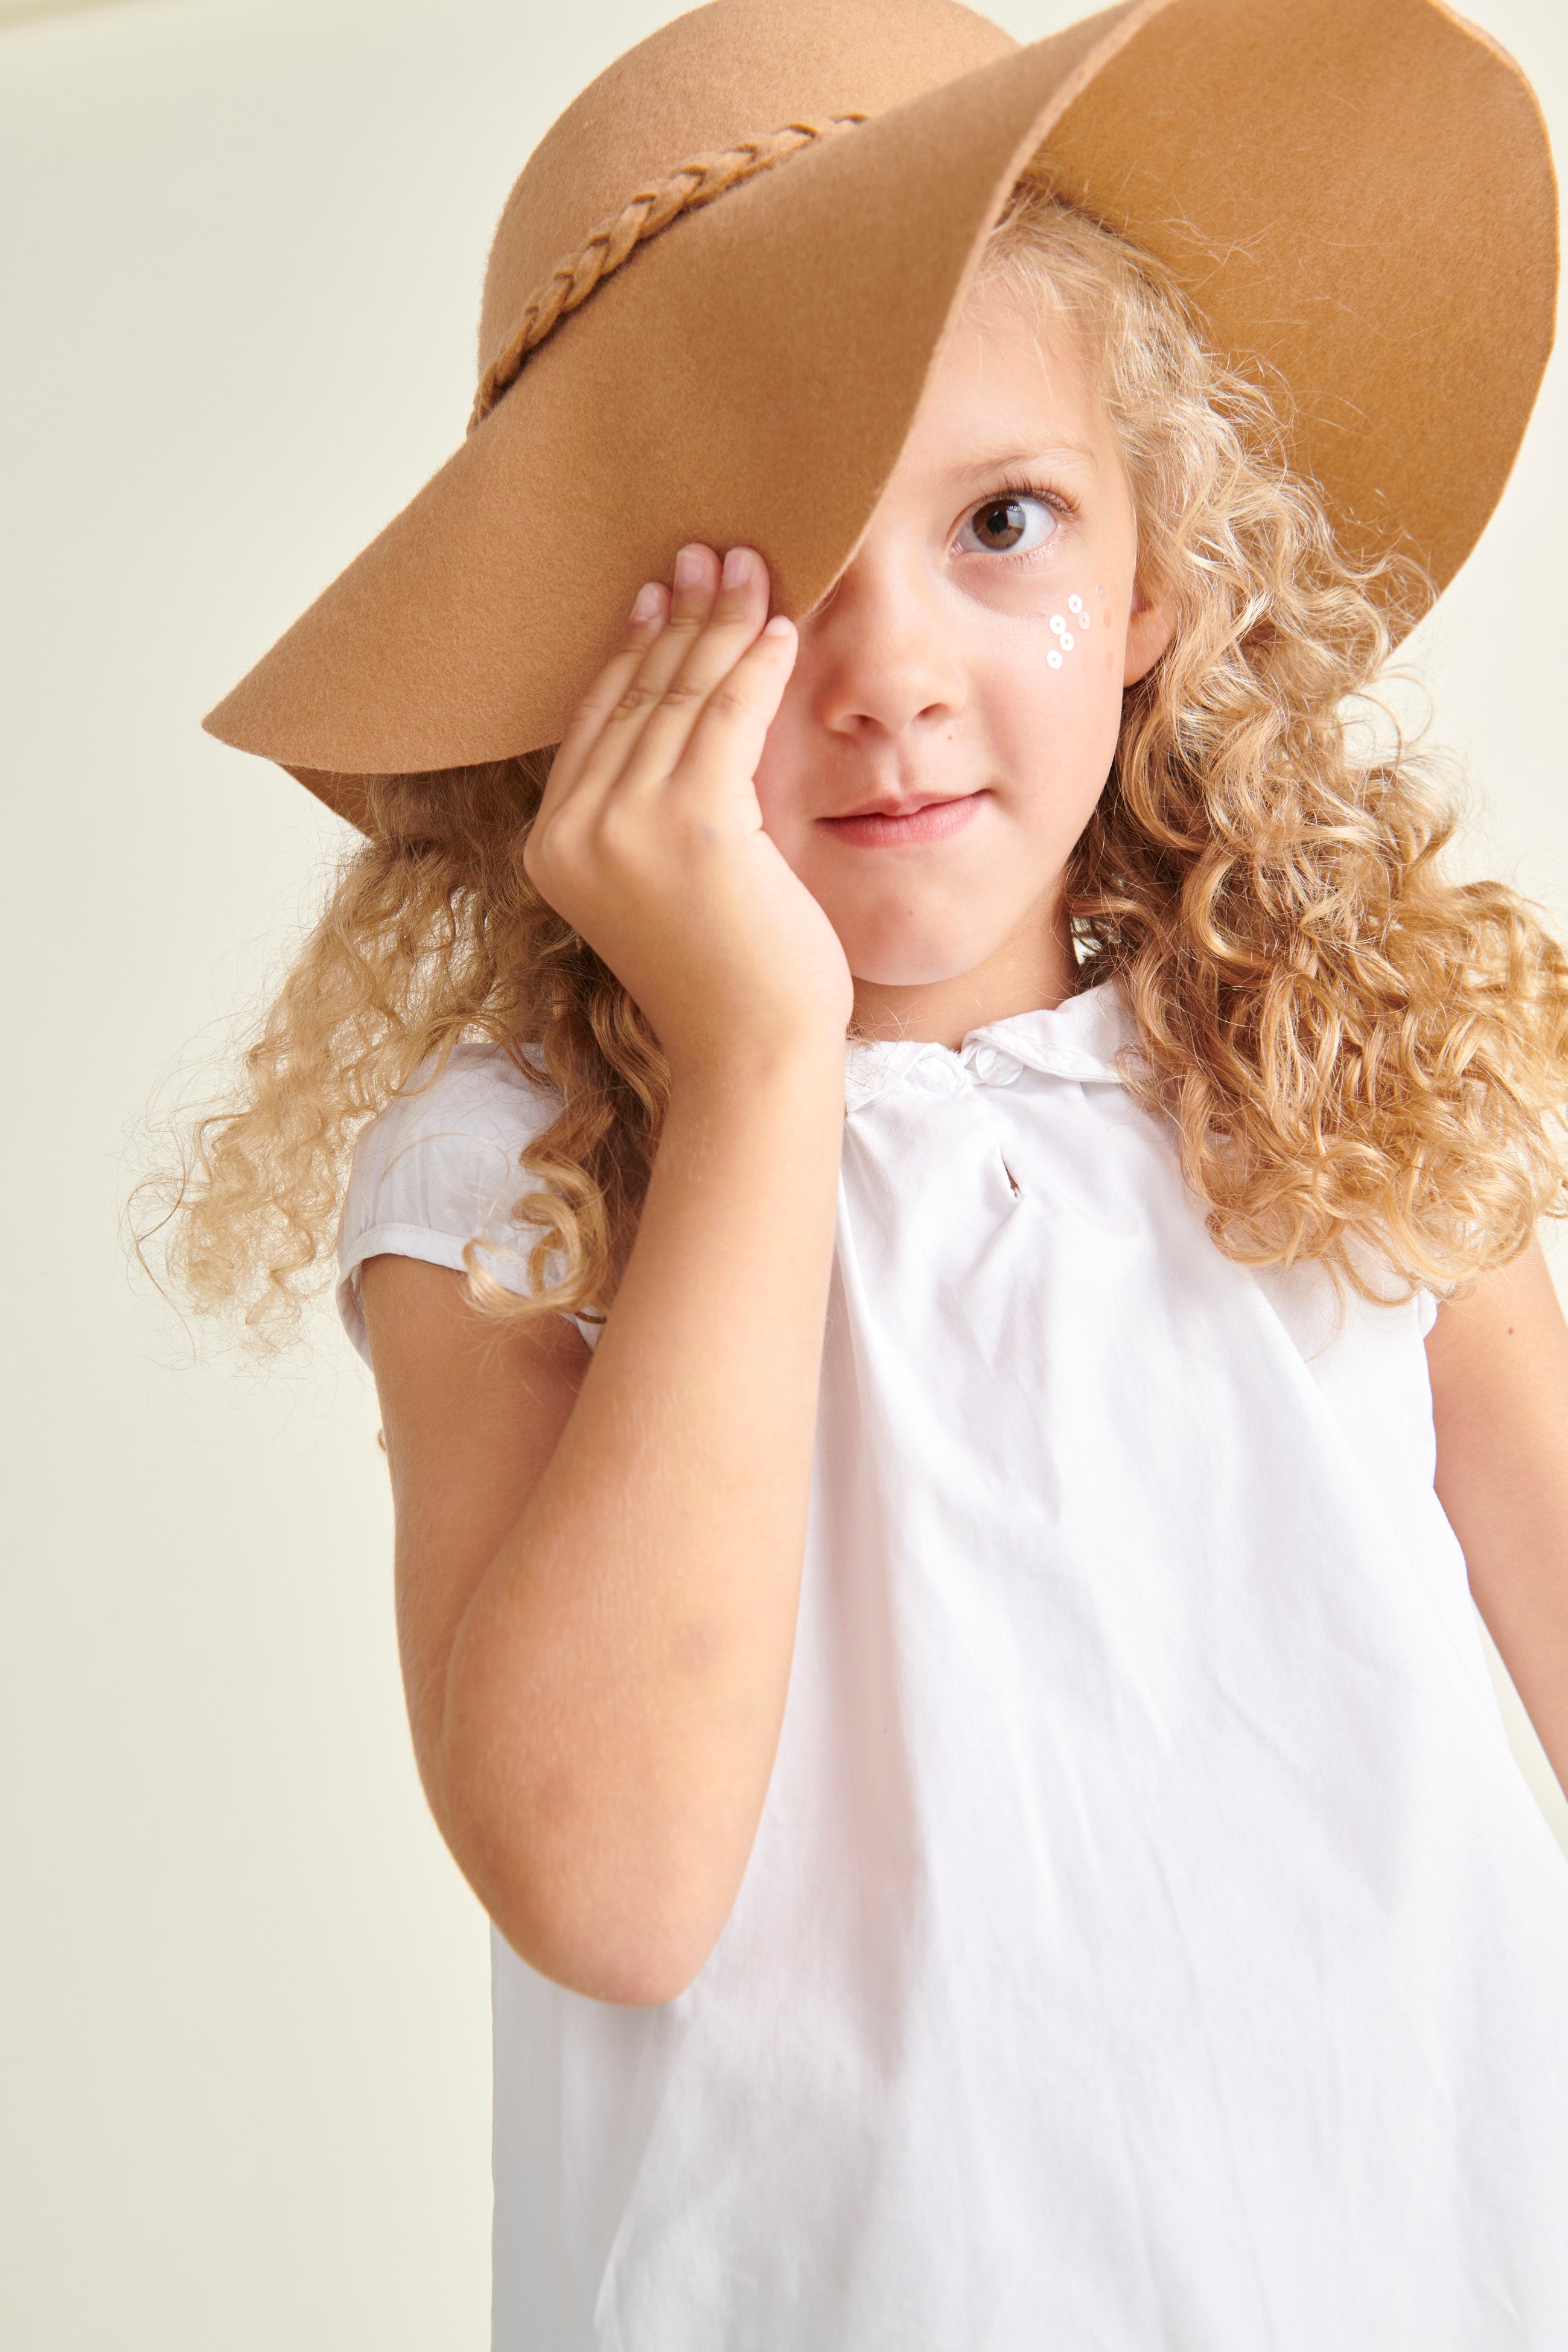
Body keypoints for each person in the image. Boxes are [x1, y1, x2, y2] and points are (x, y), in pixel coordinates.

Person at [147, 0, 1568, 2341]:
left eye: (996, 521)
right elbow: (608, 1885)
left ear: (1150, 582)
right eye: (764, 572)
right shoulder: (511, 1180)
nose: (887, 664)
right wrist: (761, 1055)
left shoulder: (1334, 1076)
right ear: (587, 669)